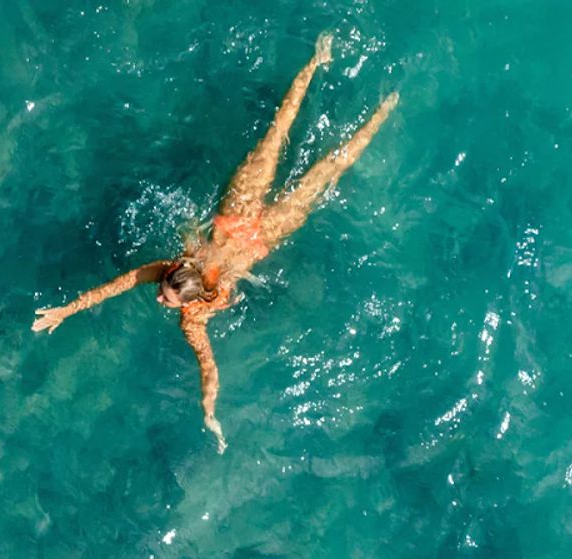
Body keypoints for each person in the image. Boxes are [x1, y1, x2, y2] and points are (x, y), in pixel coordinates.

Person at [31, 33, 399, 452]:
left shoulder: (194, 315)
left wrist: (209, 411)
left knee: (295, 146)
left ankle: (343, 83)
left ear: (183, 284)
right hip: (249, 226)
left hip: (248, 226)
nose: (161, 298)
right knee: (314, 163)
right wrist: (68, 309)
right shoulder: (172, 276)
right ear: (178, 272)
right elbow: (118, 292)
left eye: (167, 297)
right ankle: (357, 95)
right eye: (166, 293)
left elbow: (208, 367)